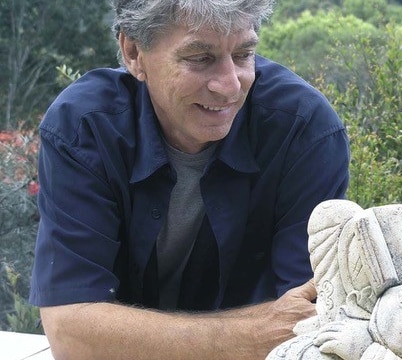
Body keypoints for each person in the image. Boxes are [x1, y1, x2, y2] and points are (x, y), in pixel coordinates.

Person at [28, 0, 350, 358]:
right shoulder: (84, 128)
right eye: (200, 58)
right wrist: (253, 332)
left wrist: (124, 335)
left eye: (244, 54)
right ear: (133, 52)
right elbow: (72, 334)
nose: (230, 86)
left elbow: (310, 325)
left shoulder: (303, 130)